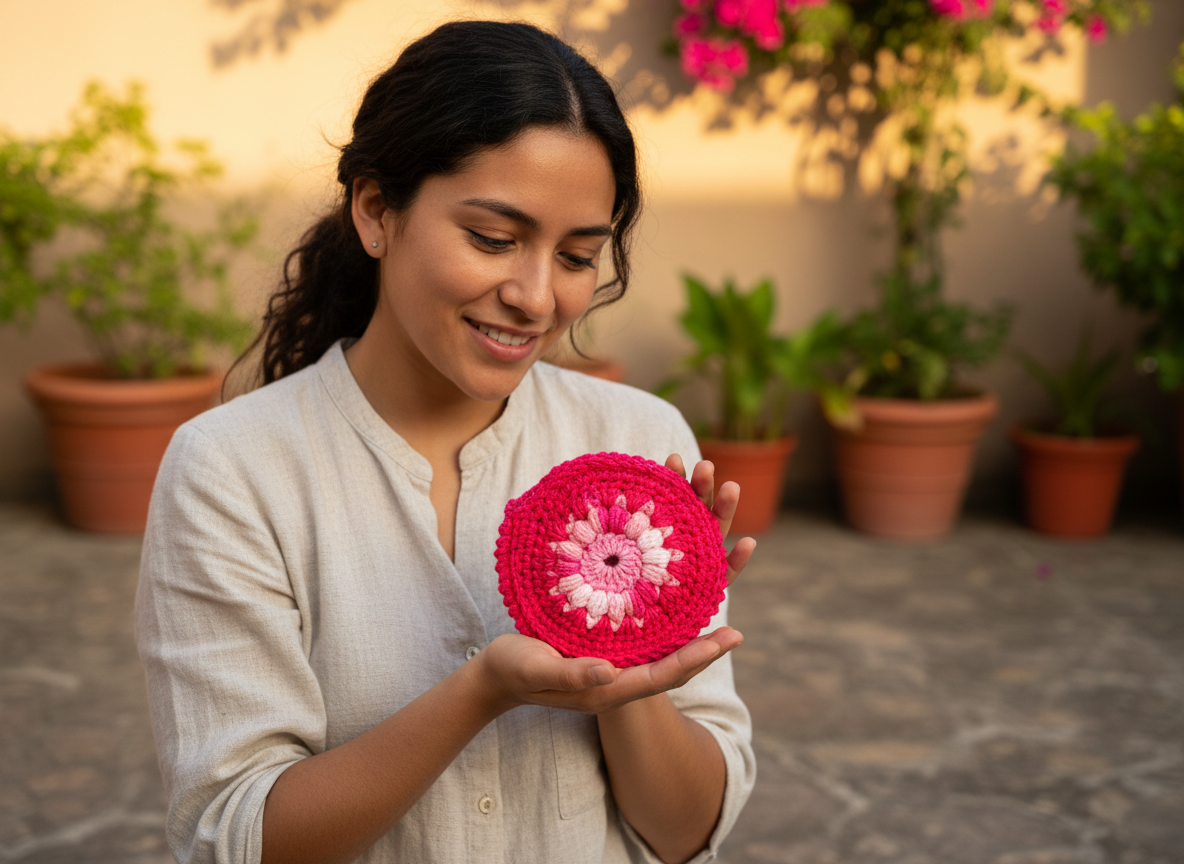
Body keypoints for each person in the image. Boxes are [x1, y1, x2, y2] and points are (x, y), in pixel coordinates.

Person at [135, 20, 756, 864]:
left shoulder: (641, 447)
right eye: (493, 240)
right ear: (376, 211)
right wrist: (479, 693)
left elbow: (685, 833)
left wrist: (628, 662)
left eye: (577, 256)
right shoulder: (235, 472)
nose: (536, 297)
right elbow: (236, 836)